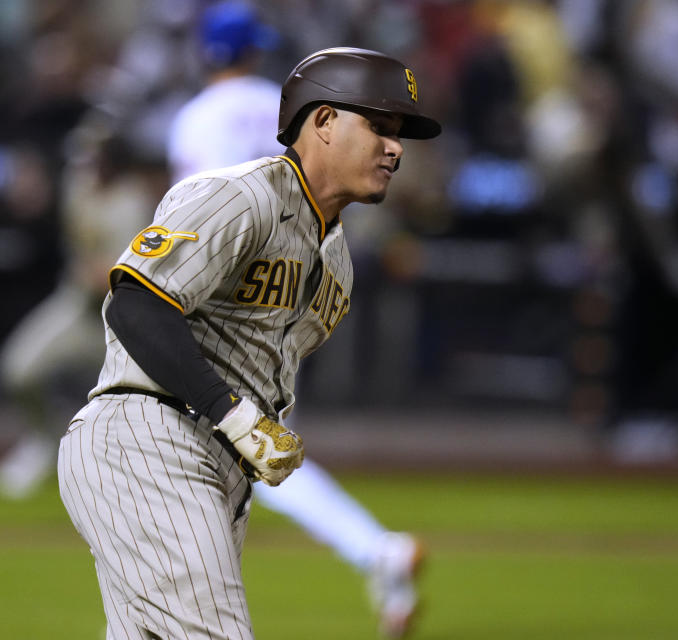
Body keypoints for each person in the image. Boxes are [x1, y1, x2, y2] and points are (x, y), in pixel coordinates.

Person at [57, 46, 441, 640]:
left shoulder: (335, 258)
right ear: (323, 122)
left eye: (400, 134)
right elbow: (135, 303)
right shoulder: (241, 194)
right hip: (147, 443)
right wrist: (229, 412)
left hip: (215, 471)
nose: (394, 148)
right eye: (379, 126)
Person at [167, 4, 426, 637]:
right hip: (293, 284)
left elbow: (199, 211)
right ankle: (377, 552)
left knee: (197, 456)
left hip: (220, 295)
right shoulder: (296, 106)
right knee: (251, 452)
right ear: (251, 52)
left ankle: (377, 550)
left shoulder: (198, 116)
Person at [0, 126, 162, 498]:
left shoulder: (132, 203)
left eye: (96, 158)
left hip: (123, 322)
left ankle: (137, 477)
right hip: (76, 307)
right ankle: (46, 442)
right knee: (18, 371)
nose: (88, 165)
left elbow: (124, 276)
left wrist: (97, 272)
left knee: (142, 408)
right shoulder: (77, 185)